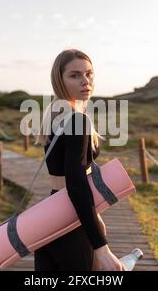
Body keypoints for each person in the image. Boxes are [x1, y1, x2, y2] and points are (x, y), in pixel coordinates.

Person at [33, 49, 125, 271]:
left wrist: (95, 217)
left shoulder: (54, 114)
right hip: (70, 216)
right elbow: (76, 184)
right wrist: (101, 248)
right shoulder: (77, 120)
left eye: (89, 74)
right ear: (60, 79)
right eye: (74, 75)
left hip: (50, 212)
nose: (85, 81)